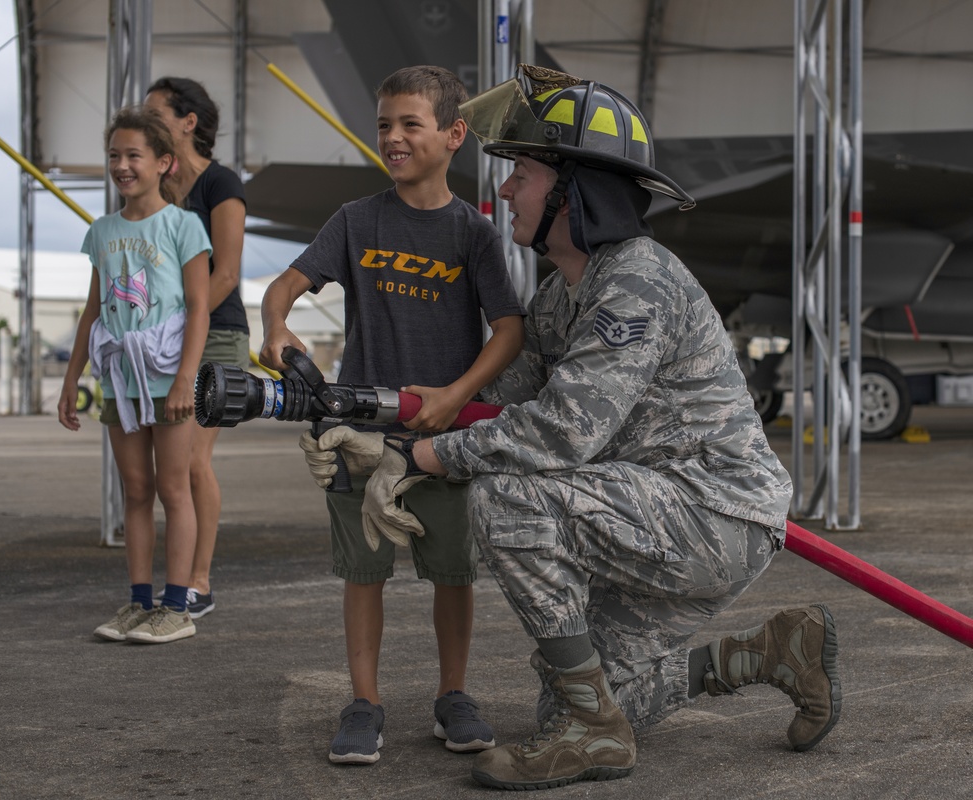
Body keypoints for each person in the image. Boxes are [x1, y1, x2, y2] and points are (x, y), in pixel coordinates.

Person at [349, 65, 842, 790]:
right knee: (580, 691)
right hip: (656, 508)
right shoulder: (560, 297)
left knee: (510, 496)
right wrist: (389, 434)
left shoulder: (635, 280)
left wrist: (426, 457)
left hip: (714, 510)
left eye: (521, 173)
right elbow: (505, 407)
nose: (507, 190)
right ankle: (772, 653)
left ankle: (592, 731)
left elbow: (558, 434)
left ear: (575, 190)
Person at [259, 65, 526, 765]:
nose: (395, 137)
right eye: (385, 124)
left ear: (454, 135)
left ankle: (455, 696)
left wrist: (454, 397)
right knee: (364, 573)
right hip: (361, 435)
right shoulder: (355, 220)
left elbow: (508, 329)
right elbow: (287, 283)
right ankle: (364, 703)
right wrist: (275, 324)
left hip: (447, 438)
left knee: (453, 573)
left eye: (411, 123)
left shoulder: (474, 234)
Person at [58, 107, 211, 644]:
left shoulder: (183, 225)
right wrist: (73, 378)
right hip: (119, 378)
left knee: (175, 488)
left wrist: (185, 379)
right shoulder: (101, 231)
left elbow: (198, 308)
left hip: (167, 375)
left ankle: (178, 606)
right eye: (114, 156)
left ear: (164, 163)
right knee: (137, 490)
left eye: (134, 156)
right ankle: (138, 602)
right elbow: (92, 310)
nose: (122, 166)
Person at [145, 76, 250, 619]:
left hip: (218, 333)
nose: (145, 121)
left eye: (154, 112)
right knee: (166, 468)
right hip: (167, 338)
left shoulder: (221, 183)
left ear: (189, 122)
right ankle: (175, 582)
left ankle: (198, 583)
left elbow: (227, 272)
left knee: (191, 463)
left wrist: (183, 326)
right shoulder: (156, 191)